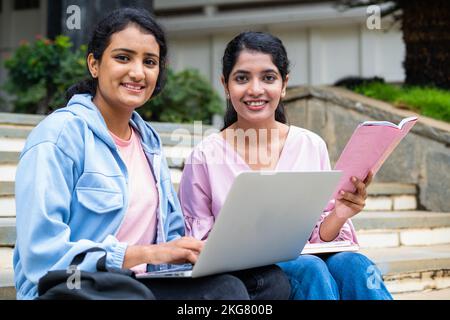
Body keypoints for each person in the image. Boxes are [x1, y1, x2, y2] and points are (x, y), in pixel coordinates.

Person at [13, 10, 290, 300]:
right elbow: (41, 255)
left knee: (269, 282)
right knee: (225, 292)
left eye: (149, 62)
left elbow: (169, 236)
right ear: (94, 64)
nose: (137, 72)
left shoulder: (148, 141)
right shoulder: (59, 136)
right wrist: (142, 253)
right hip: (73, 287)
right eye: (123, 57)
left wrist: (194, 251)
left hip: (139, 282)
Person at [178, 31, 393, 300]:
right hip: (247, 273)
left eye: (268, 78)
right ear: (225, 84)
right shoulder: (205, 156)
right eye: (242, 78)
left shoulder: (310, 145)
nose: (255, 89)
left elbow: (321, 238)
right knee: (310, 269)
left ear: (284, 84)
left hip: (307, 257)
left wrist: (339, 213)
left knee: (355, 266)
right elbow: (197, 246)